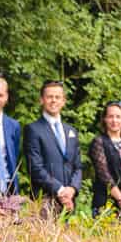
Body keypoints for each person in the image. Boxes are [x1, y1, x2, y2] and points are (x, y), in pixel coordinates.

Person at [25, 80, 82, 215]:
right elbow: (35, 168)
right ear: (41, 100)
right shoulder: (33, 129)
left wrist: (72, 189)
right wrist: (60, 190)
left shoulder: (71, 130)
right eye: (49, 97)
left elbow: (78, 166)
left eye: (57, 97)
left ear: (63, 101)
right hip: (45, 202)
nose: (53, 101)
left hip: (70, 202)